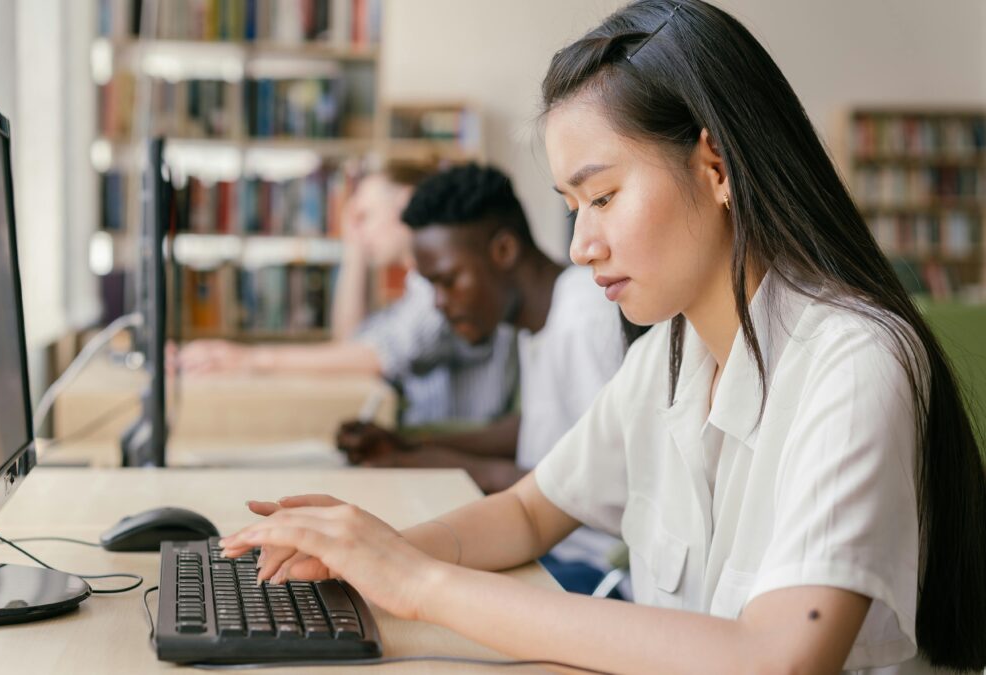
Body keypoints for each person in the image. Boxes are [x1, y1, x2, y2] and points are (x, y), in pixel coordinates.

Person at [218, 2, 986, 673]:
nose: (582, 242)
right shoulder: (668, 357)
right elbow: (527, 512)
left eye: (604, 195)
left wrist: (420, 584)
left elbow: (776, 658)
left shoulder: (853, 362)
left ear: (716, 165)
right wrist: (370, 553)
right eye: (572, 205)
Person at [335, 163, 638, 596]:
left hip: (594, 569)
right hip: (553, 549)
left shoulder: (584, 318)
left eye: (448, 280)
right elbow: (539, 431)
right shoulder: (537, 319)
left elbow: (600, 486)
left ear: (503, 251)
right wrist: (410, 445)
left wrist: (432, 461)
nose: (440, 303)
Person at [176, 164, 517, 427]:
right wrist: (354, 251)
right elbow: (352, 342)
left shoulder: (444, 288)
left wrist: (249, 360)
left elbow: (377, 356)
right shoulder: (417, 289)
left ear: (408, 203)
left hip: (452, 446)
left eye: (364, 215)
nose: (356, 227)